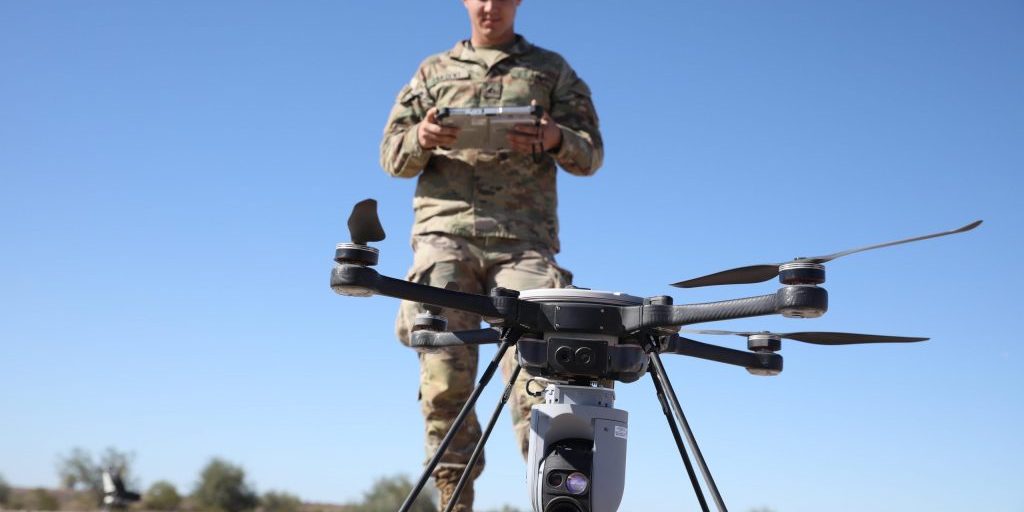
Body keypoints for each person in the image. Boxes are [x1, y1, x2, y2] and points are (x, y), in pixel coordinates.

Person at [379, 1, 603, 510]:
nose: (489, 7)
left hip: (523, 241)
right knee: (443, 377)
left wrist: (553, 137)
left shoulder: (550, 70)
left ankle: (557, 500)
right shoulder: (432, 72)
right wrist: (423, 137)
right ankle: (452, 502)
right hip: (445, 235)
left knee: (544, 374)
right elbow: (391, 156)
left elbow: (591, 153)